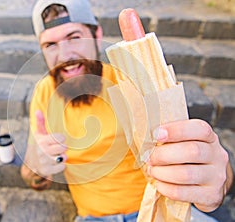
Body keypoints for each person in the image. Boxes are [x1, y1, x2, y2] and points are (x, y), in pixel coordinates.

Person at [20, 0, 234, 221]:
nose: (64, 55)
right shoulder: (44, 94)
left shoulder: (131, 80)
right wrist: (36, 168)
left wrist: (217, 177)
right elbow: (34, 178)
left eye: (74, 37)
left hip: (160, 208)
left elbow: (207, 163)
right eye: (50, 45)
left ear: (96, 34)